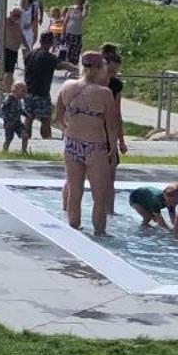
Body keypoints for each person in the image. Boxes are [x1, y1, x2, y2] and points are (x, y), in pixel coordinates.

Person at [54, 51, 117, 236]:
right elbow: (111, 124)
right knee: (100, 196)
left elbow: (58, 115)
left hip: (72, 143)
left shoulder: (67, 86)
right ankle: (100, 234)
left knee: (75, 191)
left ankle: (74, 228)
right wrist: (113, 147)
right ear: (100, 69)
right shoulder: (104, 93)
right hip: (95, 147)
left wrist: (69, 128)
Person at [20, 31, 70, 141]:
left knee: (29, 116)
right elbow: (60, 65)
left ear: (40, 41)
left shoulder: (31, 54)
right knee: (46, 118)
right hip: (41, 93)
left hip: (28, 91)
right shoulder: (48, 56)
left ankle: (25, 138)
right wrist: (73, 67)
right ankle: (47, 138)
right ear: (50, 43)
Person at [0, 79, 28, 155]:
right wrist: (6, 120)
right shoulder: (9, 99)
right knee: (9, 139)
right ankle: (4, 151)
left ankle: (24, 151)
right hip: (10, 123)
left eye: (25, 91)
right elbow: (3, 109)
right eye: (22, 91)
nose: (24, 93)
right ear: (15, 89)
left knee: (25, 135)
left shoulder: (19, 100)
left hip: (17, 122)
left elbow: (20, 109)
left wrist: (26, 114)